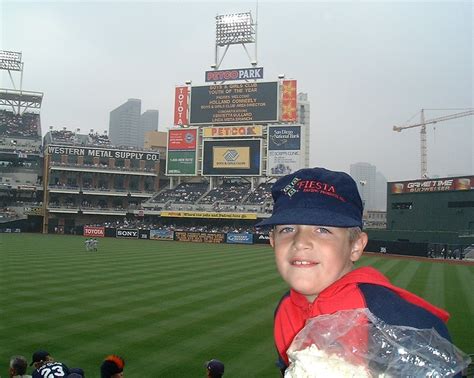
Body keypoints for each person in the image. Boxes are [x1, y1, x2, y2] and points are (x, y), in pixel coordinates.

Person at [256, 167, 452, 374]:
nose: (300, 242)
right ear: (272, 241)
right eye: (287, 229)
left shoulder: (389, 315)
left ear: (356, 246)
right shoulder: (286, 308)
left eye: (323, 230)